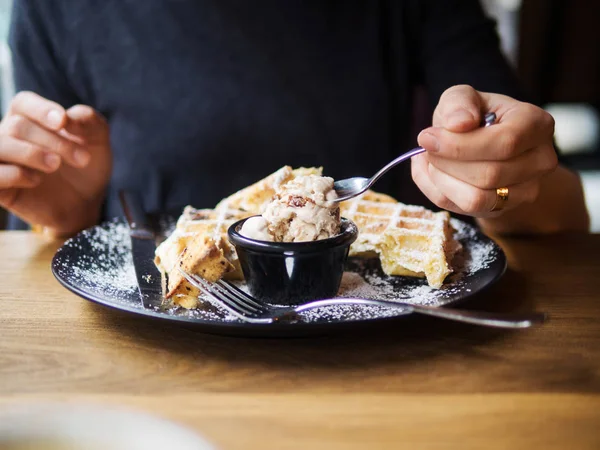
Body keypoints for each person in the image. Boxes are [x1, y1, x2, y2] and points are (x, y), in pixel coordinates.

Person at [0, 0, 589, 237]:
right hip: (146, 360)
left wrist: (502, 184)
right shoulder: (54, 8)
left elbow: (560, 207)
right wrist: (70, 210)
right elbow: (52, 255)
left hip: (378, 352)